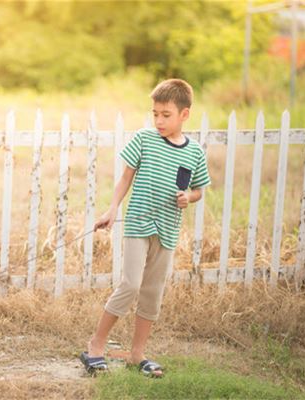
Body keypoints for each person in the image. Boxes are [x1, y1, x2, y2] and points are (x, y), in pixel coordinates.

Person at [80, 78, 211, 378]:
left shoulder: (194, 154)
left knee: (152, 292)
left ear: (184, 115)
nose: (159, 120)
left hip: (167, 229)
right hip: (138, 223)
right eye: (155, 114)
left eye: (166, 114)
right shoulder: (144, 139)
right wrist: (112, 209)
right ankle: (95, 345)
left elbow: (199, 190)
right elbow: (125, 178)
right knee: (130, 284)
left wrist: (187, 196)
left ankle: (136, 353)